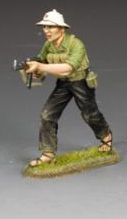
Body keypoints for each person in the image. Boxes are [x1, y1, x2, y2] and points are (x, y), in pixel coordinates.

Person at [24, 10, 113, 166]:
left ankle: (106, 137)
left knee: (90, 114)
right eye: (45, 27)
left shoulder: (77, 44)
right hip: (63, 83)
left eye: (51, 27)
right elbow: (41, 59)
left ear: (62, 29)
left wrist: (40, 66)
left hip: (81, 82)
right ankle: (48, 154)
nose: (46, 30)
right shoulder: (48, 45)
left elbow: (68, 69)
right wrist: (32, 66)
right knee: (47, 115)